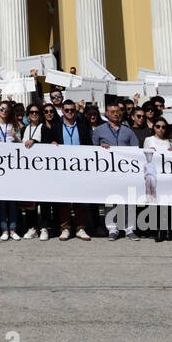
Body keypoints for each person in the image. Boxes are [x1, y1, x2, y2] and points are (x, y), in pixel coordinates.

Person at [93, 101, 138, 240]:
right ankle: (112, 229)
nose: (115, 115)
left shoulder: (128, 130)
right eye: (112, 112)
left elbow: (136, 148)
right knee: (110, 200)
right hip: (108, 172)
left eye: (118, 112)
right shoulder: (99, 130)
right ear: (107, 114)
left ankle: (129, 229)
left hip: (126, 172)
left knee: (127, 200)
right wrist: (101, 148)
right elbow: (92, 149)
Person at [55, 100, 95, 241]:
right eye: (67, 110)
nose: (70, 112)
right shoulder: (56, 127)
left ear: (76, 111)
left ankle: (80, 228)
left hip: (80, 169)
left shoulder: (83, 127)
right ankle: (65, 228)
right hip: (63, 169)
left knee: (80, 200)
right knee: (64, 201)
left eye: (72, 110)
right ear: (63, 111)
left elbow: (90, 146)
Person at [20, 103, 57, 240]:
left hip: (42, 170)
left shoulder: (44, 128)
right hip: (28, 170)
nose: (34, 114)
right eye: (31, 112)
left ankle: (45, 228)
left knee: (44, 201)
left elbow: (46, 144)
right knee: (30, 202)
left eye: (36, 112)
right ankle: (32, 227)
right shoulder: (25, 128)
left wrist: (34, 141)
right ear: (28, 115)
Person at [0, 101, 22, 240]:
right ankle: (4, 229)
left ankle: (13, 229)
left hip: (12, 166)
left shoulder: (14, 126)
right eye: (1, 109)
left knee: (12, 200)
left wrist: (14, 137)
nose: (3, 111)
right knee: (1, 200)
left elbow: (20, 145)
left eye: (6, 110)